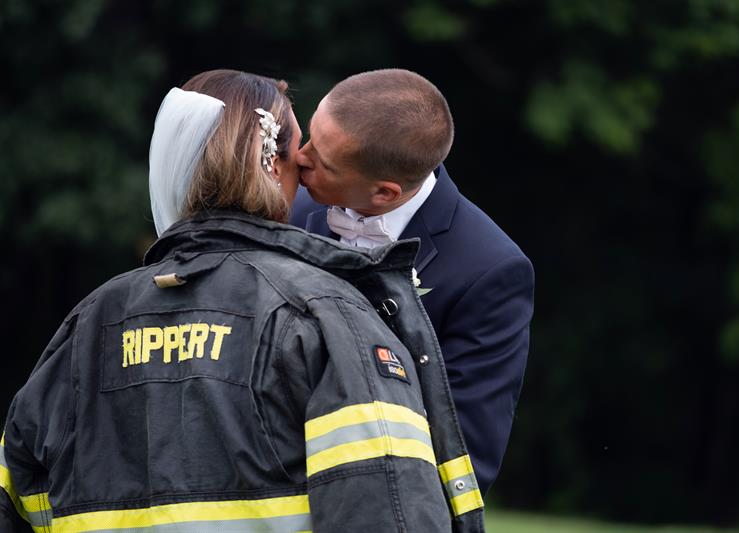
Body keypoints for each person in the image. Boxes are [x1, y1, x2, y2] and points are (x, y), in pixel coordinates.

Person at [0, 69, 485, 532]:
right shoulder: (328, 316)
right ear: (270, 163)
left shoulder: (86, 326)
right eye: (298, 148)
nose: (306, 161)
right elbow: (388, 508)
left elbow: (17, 492)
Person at [290, 68, 535, 495]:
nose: (299, 157)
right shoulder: (284, 209)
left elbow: (464, 452)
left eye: (323, 161)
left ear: (385, 193)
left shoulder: (489, 271)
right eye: (310, 135)